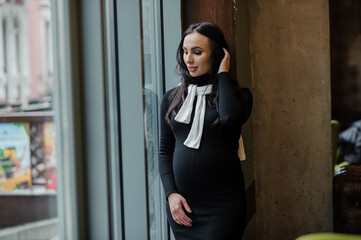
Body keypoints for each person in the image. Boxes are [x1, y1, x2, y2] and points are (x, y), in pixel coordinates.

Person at [159, 21, 253, 239]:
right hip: (182, 208)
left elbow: (229, 118)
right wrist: (171, 195)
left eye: (197, 52)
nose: (188, 59)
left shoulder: (239, 97)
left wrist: (222, 74)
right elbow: (164, 151)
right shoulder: (172, 98)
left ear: (217, 54)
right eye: (185, 51)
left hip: (222, 207)